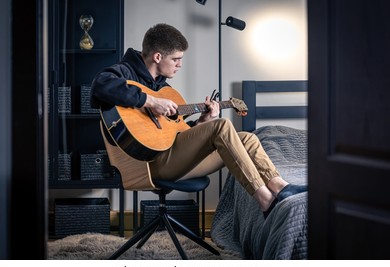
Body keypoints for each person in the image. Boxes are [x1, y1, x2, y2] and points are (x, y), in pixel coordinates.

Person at [90, 23, 307, 219]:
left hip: (173, 157)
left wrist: (203, 122)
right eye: (175, 59)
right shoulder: (125, 72)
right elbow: (100, 85)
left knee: (247, 139)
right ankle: (265, 201)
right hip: (149, 165)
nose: (180, 65)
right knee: (221, 125)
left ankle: (279, 187)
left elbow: (176, 135)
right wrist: (149, 101)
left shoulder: (164, 89)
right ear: (157, 57)